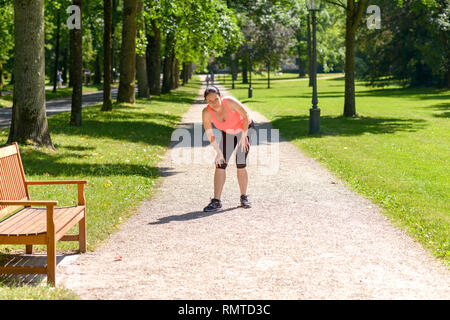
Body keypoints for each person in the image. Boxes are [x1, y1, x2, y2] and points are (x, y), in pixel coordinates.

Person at [202, 85, 255, 212]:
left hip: (245, 129)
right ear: (206, 102)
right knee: (220, 163)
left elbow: (246, 115)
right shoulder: (206, 113)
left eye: (215, 99)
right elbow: (210, 134)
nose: (213, 103)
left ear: (220, 97)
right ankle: (216, 201)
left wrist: (244, 135)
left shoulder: (229, 102)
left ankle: (244, 197)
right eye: (209, 101)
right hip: (229, 132)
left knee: (240, 162)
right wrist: (218, 152)